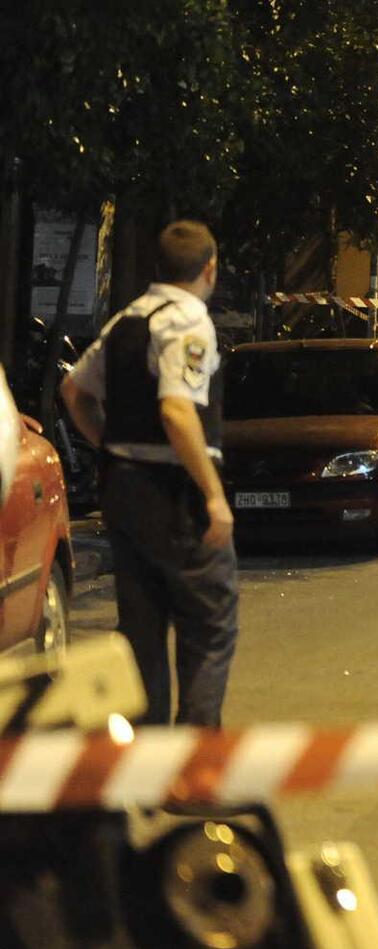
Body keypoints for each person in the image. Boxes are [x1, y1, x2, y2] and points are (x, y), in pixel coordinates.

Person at [60, 220, 236, 727]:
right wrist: (213, 496)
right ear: (209, 269)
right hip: (175, 495)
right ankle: (195, 760)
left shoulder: (127, 319)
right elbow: (177, 411)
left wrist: (110, 445)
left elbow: (74, 392)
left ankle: (148, 757)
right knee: (209, 625)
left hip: (124, 490)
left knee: (142, 634)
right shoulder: (189, 321)